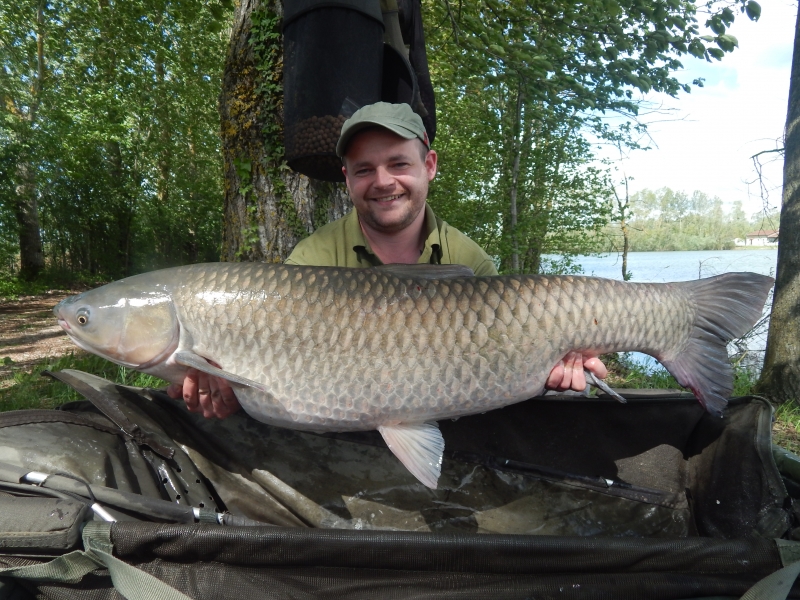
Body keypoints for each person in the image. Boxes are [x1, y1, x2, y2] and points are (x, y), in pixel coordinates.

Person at [168, 102, 607, 418]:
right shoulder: (313, 259)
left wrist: (561, 367)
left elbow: (505, 362)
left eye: (398, 164)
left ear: (429, 165)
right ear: (347, 178)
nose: (383, 182)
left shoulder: (467, 258)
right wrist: (230, 394)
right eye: (364, 170)